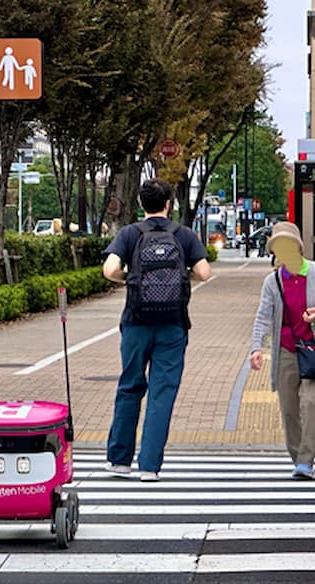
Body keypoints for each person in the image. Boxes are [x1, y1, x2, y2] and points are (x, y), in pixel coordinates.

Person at [100, 179, 212, 482]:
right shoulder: (184, 235)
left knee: (130, 386)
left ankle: (119, 461)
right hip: (173, 324)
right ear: (169, 204)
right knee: (162, 393)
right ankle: (149, 466)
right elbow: (204, 272)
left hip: (136, 322)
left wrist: (132, 278)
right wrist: (179, 276)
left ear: (141, 204)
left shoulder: (130, 234)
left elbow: (109, 270)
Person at [248, 222, 315, 479]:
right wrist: (256, 348)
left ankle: (306, 461)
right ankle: (296, 455)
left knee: (311, 402)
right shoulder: (273, 281)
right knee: (289, 407)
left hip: (314, 348)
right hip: (286, 350)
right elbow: (262, 316)